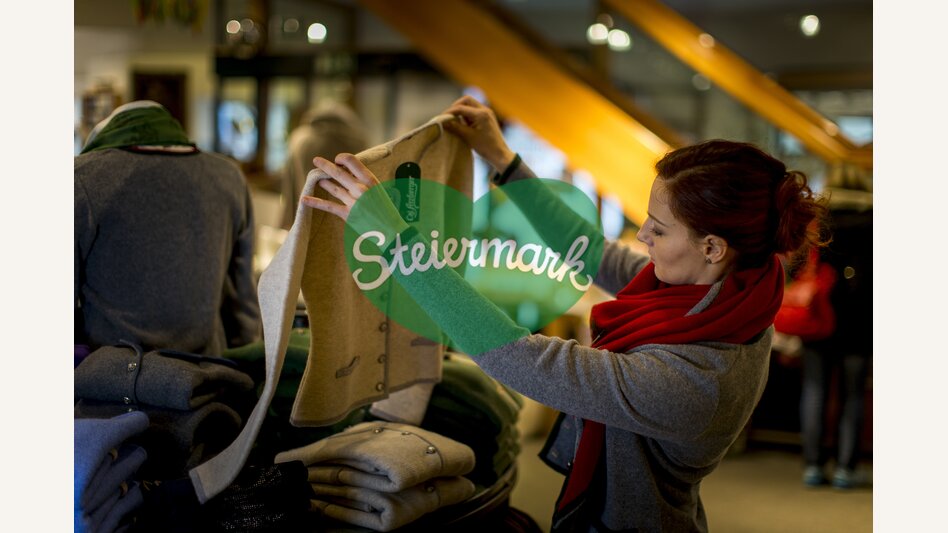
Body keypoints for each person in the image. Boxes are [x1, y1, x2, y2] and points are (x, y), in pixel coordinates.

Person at [301, 95, 826, 532]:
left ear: (713, 246)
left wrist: (400, 246)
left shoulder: (698, 380)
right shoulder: (735, 291)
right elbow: (589, 250)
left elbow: (525, 359)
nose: (642, 237)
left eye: (659, 229)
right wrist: (502, 160)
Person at [75, 100, 261, 356]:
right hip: (206, 379)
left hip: (112, 385)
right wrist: (248, 367)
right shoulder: (229, 177)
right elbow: (243, 300)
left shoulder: (81, 178)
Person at [798, 163, 872, 489]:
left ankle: (813, 466)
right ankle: (845, 468)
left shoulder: (818, 224)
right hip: (862, 318)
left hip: (819, 314)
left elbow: (799, 266)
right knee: (854, 395)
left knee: (814, 389)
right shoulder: (876, 221)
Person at [279, 102, 368, 229]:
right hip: (352, 226)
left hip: (306, 222)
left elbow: (290, 191)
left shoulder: (300, 140)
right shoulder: (359, 141)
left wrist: (286, 226)